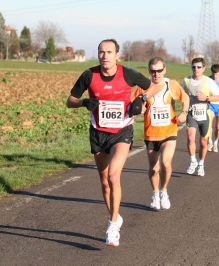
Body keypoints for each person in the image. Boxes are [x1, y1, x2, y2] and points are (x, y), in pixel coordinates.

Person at [66, 39, 161, 247]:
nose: (105, 56)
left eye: (109, 52)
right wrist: (84, 103)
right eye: (101, 52)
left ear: (117, 55)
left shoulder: (127, 73)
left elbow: (155, 85)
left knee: (113, 176)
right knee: (104, 182)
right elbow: (69, 101)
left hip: (122, 131)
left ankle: (112, 226)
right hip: (98, 132)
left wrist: (141, 99)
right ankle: (116, 216)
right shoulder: (89, 75)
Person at [132, 57, 189, 210]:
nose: (156, 74)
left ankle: (164, 191)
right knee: (153, 168)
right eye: (153, 71)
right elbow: (132, 105)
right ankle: (155, 193)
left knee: (166, 163)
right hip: (151, 134)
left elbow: (186, 98)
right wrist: (139, 108)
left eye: (159, 70)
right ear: (149, 71)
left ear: (164, 70)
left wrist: (184, 112)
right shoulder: (143, 87)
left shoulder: (172, 85)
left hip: (169, 131)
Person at [182, 57, 219, 176]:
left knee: (203, 142)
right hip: (192, 114)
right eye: (194, 67)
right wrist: (183, 111)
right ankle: (193, 161)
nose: (196, 69)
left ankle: (201, 164)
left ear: (203, 68)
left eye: (199, 67)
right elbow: (183, 96)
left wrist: (207, 98)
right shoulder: (186, 80)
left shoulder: (208, 82)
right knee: (190, 138)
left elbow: (218, 97)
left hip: (205, 115)